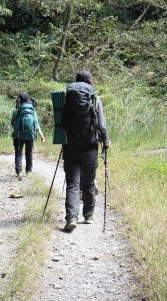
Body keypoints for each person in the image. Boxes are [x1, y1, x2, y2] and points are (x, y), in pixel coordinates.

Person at [61, 70, 109, 232]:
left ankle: (71, 218)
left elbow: (60, 123)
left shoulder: (67, 98)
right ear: (90, 82)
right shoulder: (95, 99)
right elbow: (101, 125)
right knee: (89, 182)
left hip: (70, 146)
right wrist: (106, 141)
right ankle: (88, 215)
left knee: (73, 184)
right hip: (90, 146)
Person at [10, 92, 44, 180]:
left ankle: (19, 172)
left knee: (18, 153)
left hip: (18, 136)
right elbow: (36, 124)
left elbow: (13, 123)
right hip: (30, 136)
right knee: (29, 153)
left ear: (19, 100)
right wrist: (41, 136)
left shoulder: (17, 110)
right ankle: (28, 171)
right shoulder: (32, 110)